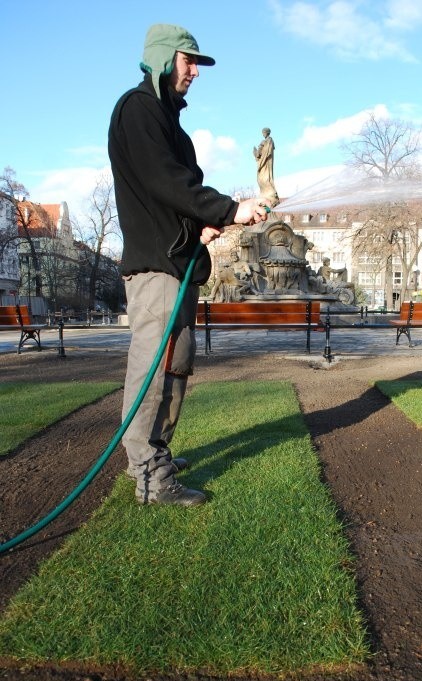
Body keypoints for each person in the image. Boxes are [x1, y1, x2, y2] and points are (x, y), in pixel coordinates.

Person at [108, 23, 268, 507]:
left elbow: (177, 193)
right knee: (153, 366)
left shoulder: (172, 126)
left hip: (179, 262)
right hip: (156, 267)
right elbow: (164, 180)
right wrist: (226, 209)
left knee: (175, 363)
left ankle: (155, 451)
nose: (195, 72)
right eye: (188, 61)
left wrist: (202, 226)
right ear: (162, 59)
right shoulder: (138, 110)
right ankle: (148, 474)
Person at [253, 128, 279, 206]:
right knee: (260, 179)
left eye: (264, 132)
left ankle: (270, 196)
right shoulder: (264, 141)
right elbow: (259, 155)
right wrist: (256, 153)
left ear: (267, 133)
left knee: (266, 178)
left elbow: (267, 151)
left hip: (267, 163)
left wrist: (262, 147)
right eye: (262, 132)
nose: (263, 134)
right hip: (262, 162)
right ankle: (265, 194)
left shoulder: (269, 140)